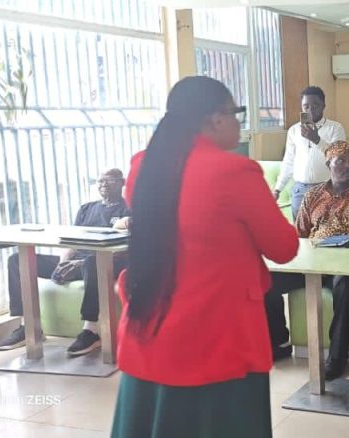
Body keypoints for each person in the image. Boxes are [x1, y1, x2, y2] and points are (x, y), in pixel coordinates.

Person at [111, 77, 299, 438]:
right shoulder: (234, 173)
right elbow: (283, 247)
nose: (239, 124)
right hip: (215, 338)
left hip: (149, 328)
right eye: (237, 114)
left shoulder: (144, 168)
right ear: (216, 119)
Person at [264, 141, 349, 379]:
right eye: (341, 160)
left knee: (347, 287)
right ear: (329, 164)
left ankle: (337, 358)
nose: (348, 165)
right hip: (312, 264)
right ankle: (279, 342)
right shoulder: (313, 195)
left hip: (347, 265)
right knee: (265, 281)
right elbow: (300, 236)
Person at [0, 168, 130, 356]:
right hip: (77, 260)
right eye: (100, 181)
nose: (104, 184)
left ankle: (91, 331)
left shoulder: (129, 210)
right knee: (16, 260)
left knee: (92, 263)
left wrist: (80, 263)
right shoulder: (86, 209)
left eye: (110, 180)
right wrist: (63, 262)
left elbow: (127, 249)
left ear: (122, 182)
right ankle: (28, 327)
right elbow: (72, 241)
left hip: (104, 262)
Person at [273, 86, 347, 218]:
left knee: (324, 228)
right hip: (300, 190)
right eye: (306, 106)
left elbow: (338, 158)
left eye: (315, 106)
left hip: (326, 188)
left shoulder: (335, 128)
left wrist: (317, 140)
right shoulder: (294, 130)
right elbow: (289, 162)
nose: (310, 110)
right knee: (300, 229)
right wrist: (278, 189)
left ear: (323, 106)